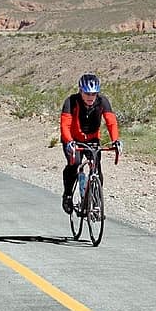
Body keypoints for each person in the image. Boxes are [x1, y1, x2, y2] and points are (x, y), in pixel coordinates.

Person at [59, 73, 122, 214]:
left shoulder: (103, 102)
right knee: (74, 163)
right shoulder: (71, 101)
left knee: (97, 169)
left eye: (93, 93)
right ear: (80, 91)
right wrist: (69, 142)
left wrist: (115, 140)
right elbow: (65, 125)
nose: (90, 97)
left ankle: (95, 202)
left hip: (92, 139)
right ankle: (68, 195)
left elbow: (111, 122)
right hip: (73, 139)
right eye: (87, 93)